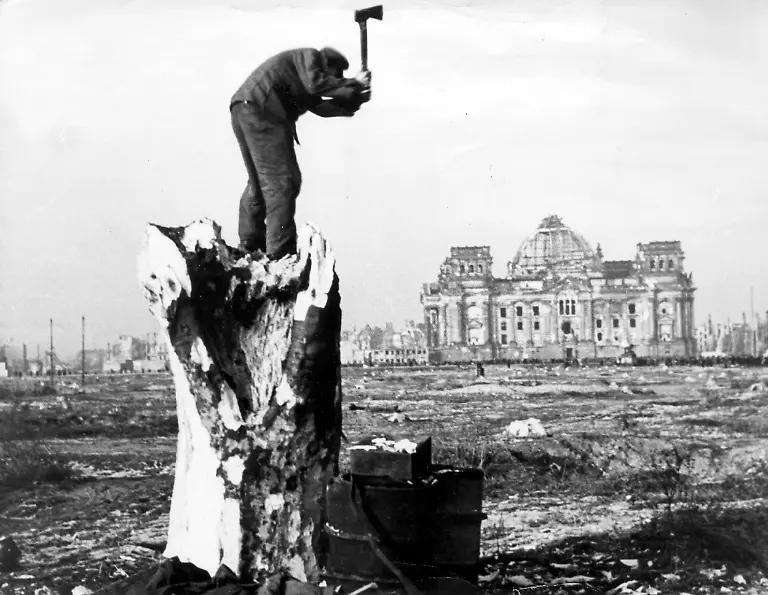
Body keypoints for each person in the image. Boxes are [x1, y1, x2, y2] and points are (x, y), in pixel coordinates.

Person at [230, 47, 371, 260]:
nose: (337, 79)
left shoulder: (301, 77)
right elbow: (317, 84)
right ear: (328, 64)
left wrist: (356, 99)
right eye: (337, 74)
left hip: (245, 108)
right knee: (282, 183)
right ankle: (280, 254)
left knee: (259, 183)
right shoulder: (312, 56)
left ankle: (250, 245)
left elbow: (322, 107)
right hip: (263, 111)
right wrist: (354, 82)